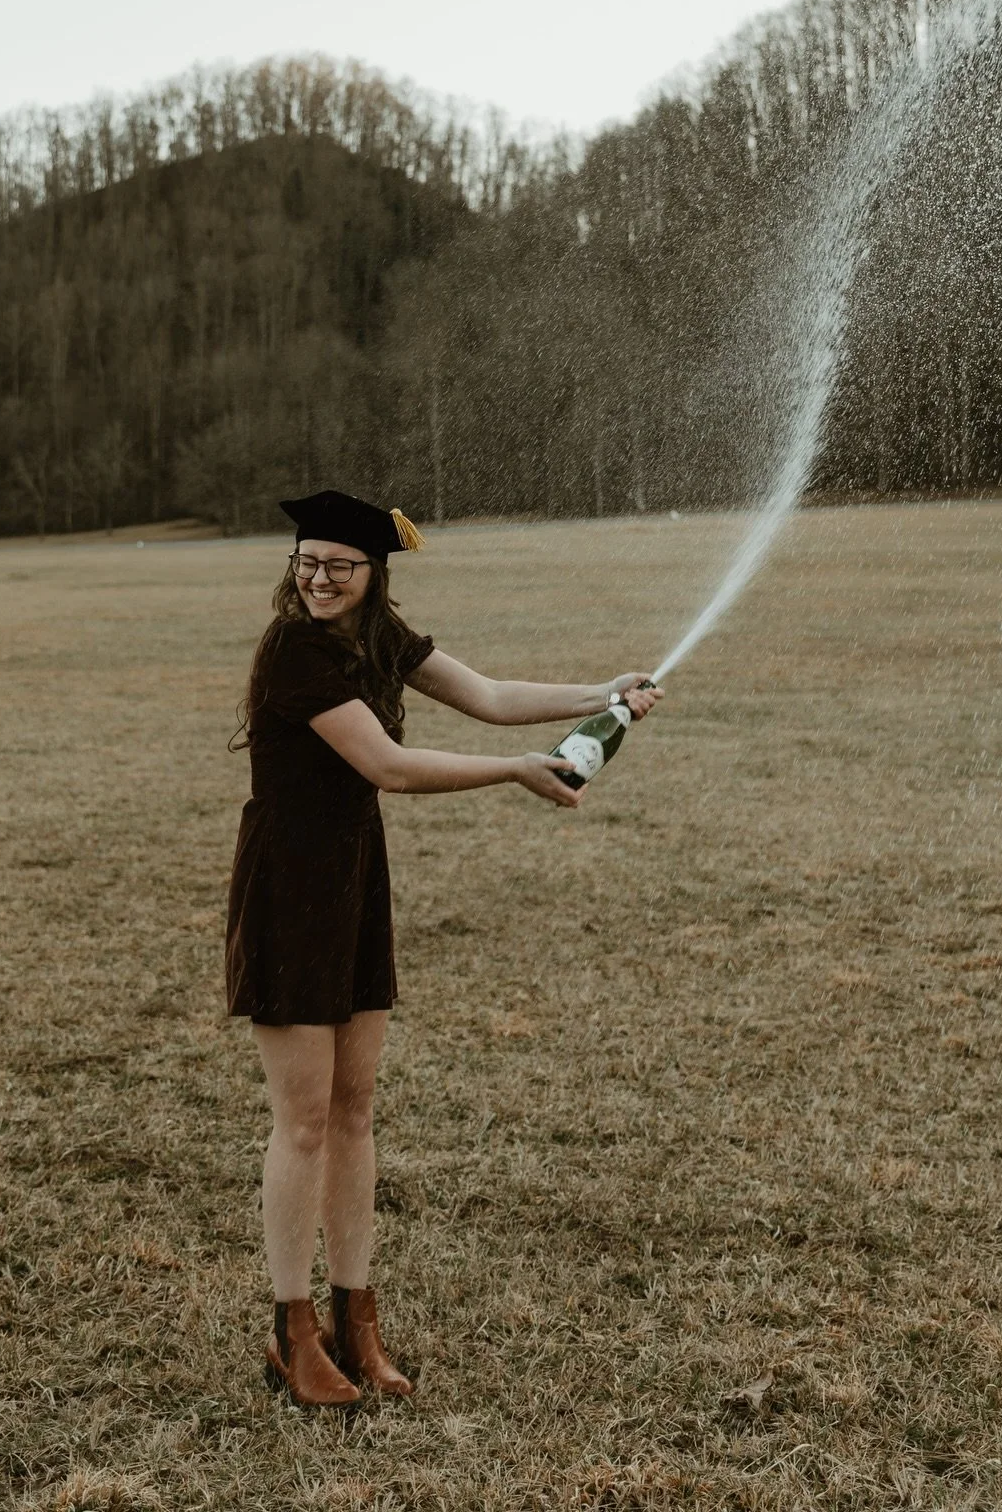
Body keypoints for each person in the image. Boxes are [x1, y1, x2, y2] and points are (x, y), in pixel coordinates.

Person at [225, 489, 662, 1407]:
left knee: (354, 1110)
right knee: (301, 1120)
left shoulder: (381, 638)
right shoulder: (295, 649)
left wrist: (604, 693)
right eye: (307, 562)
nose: (317, 579)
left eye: (339, 567)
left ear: (374, 575)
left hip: (354, 880)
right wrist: (515, 771)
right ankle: (292, 1333)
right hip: (291, 890)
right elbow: (385, 764)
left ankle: (358, 1321)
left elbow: (492, 696)